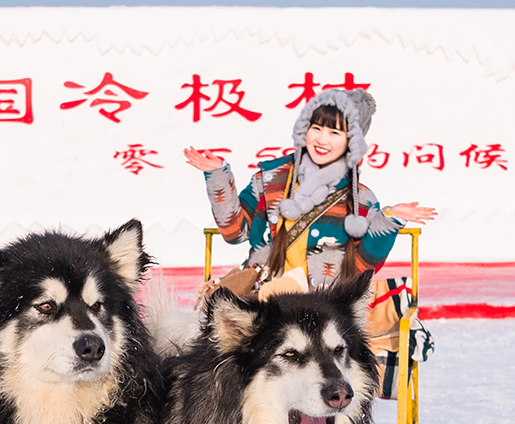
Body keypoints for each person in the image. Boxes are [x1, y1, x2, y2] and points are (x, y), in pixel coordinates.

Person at [184, 88, 436, 291]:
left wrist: (390, 219)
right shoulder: (271, 178)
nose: (321, 139)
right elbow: (235, 232)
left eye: (335, 132)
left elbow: (363, 266)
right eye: (316, 128)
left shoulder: (361, 199)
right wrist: (218, 174)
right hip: (263, 297)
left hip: (324, 308)